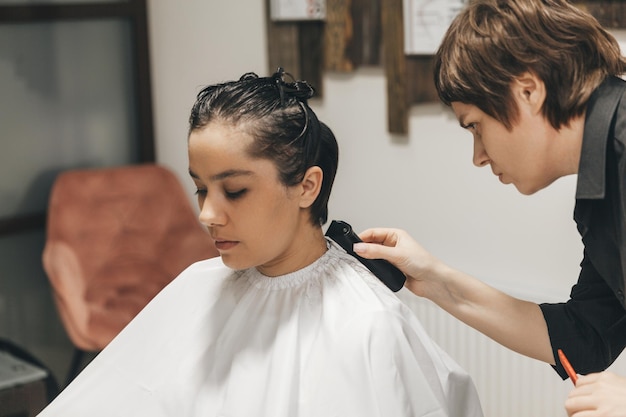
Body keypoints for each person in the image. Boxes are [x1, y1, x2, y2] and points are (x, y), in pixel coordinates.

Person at [36, 69, 483, 417]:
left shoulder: (367, 324)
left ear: (307, 187)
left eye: (234, 191)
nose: (207, 214)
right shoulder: (199, 285)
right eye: (200, 189)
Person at [353, 1, 626, 416]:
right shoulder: (602, 184)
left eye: (475, 126)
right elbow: (585, 338)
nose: (478, 156)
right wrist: (434, 279)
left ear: (528, 91)